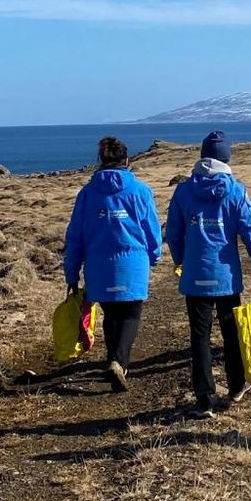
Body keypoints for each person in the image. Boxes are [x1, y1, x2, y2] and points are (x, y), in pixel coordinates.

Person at [166, 130, 251, 419]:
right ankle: (236, 385)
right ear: (227, 157)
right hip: (226, 278)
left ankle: (204, 399)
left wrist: (180, 260)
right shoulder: (236, 191)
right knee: (231, 334)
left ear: (202, 154)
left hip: (195, 275)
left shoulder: (184, 191)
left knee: (199, 337)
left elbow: (173, 233)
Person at [63, 135, 162, 392]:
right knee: (130, 314)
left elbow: (75, 237)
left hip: (99, 267)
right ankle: (119, 361)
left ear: (101, 160)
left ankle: (112, 359)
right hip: (133, 264)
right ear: (127, 161)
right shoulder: (140, 191)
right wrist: (155, 255)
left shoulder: (87, 194)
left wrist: (71, 273)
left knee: (111, 314)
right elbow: (151, 229)